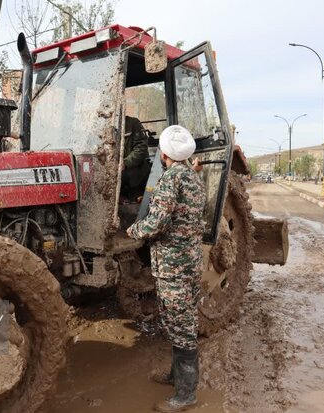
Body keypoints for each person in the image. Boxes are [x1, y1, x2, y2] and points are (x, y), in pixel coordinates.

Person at [127, 125, 205, 412]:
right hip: (190, 263)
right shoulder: (194, 178)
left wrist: (133, 231)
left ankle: (186, 395)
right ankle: (177, 376)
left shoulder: (172, 179)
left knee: (181, 326)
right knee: (179, 322)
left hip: (174, 267)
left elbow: (157, 222)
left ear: (163, 154)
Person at [121, 116, 151, 202]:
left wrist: (125, 163)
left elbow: (141, 147)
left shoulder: (132, 123)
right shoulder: (105, 127)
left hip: (136, 174)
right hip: (119, 178)